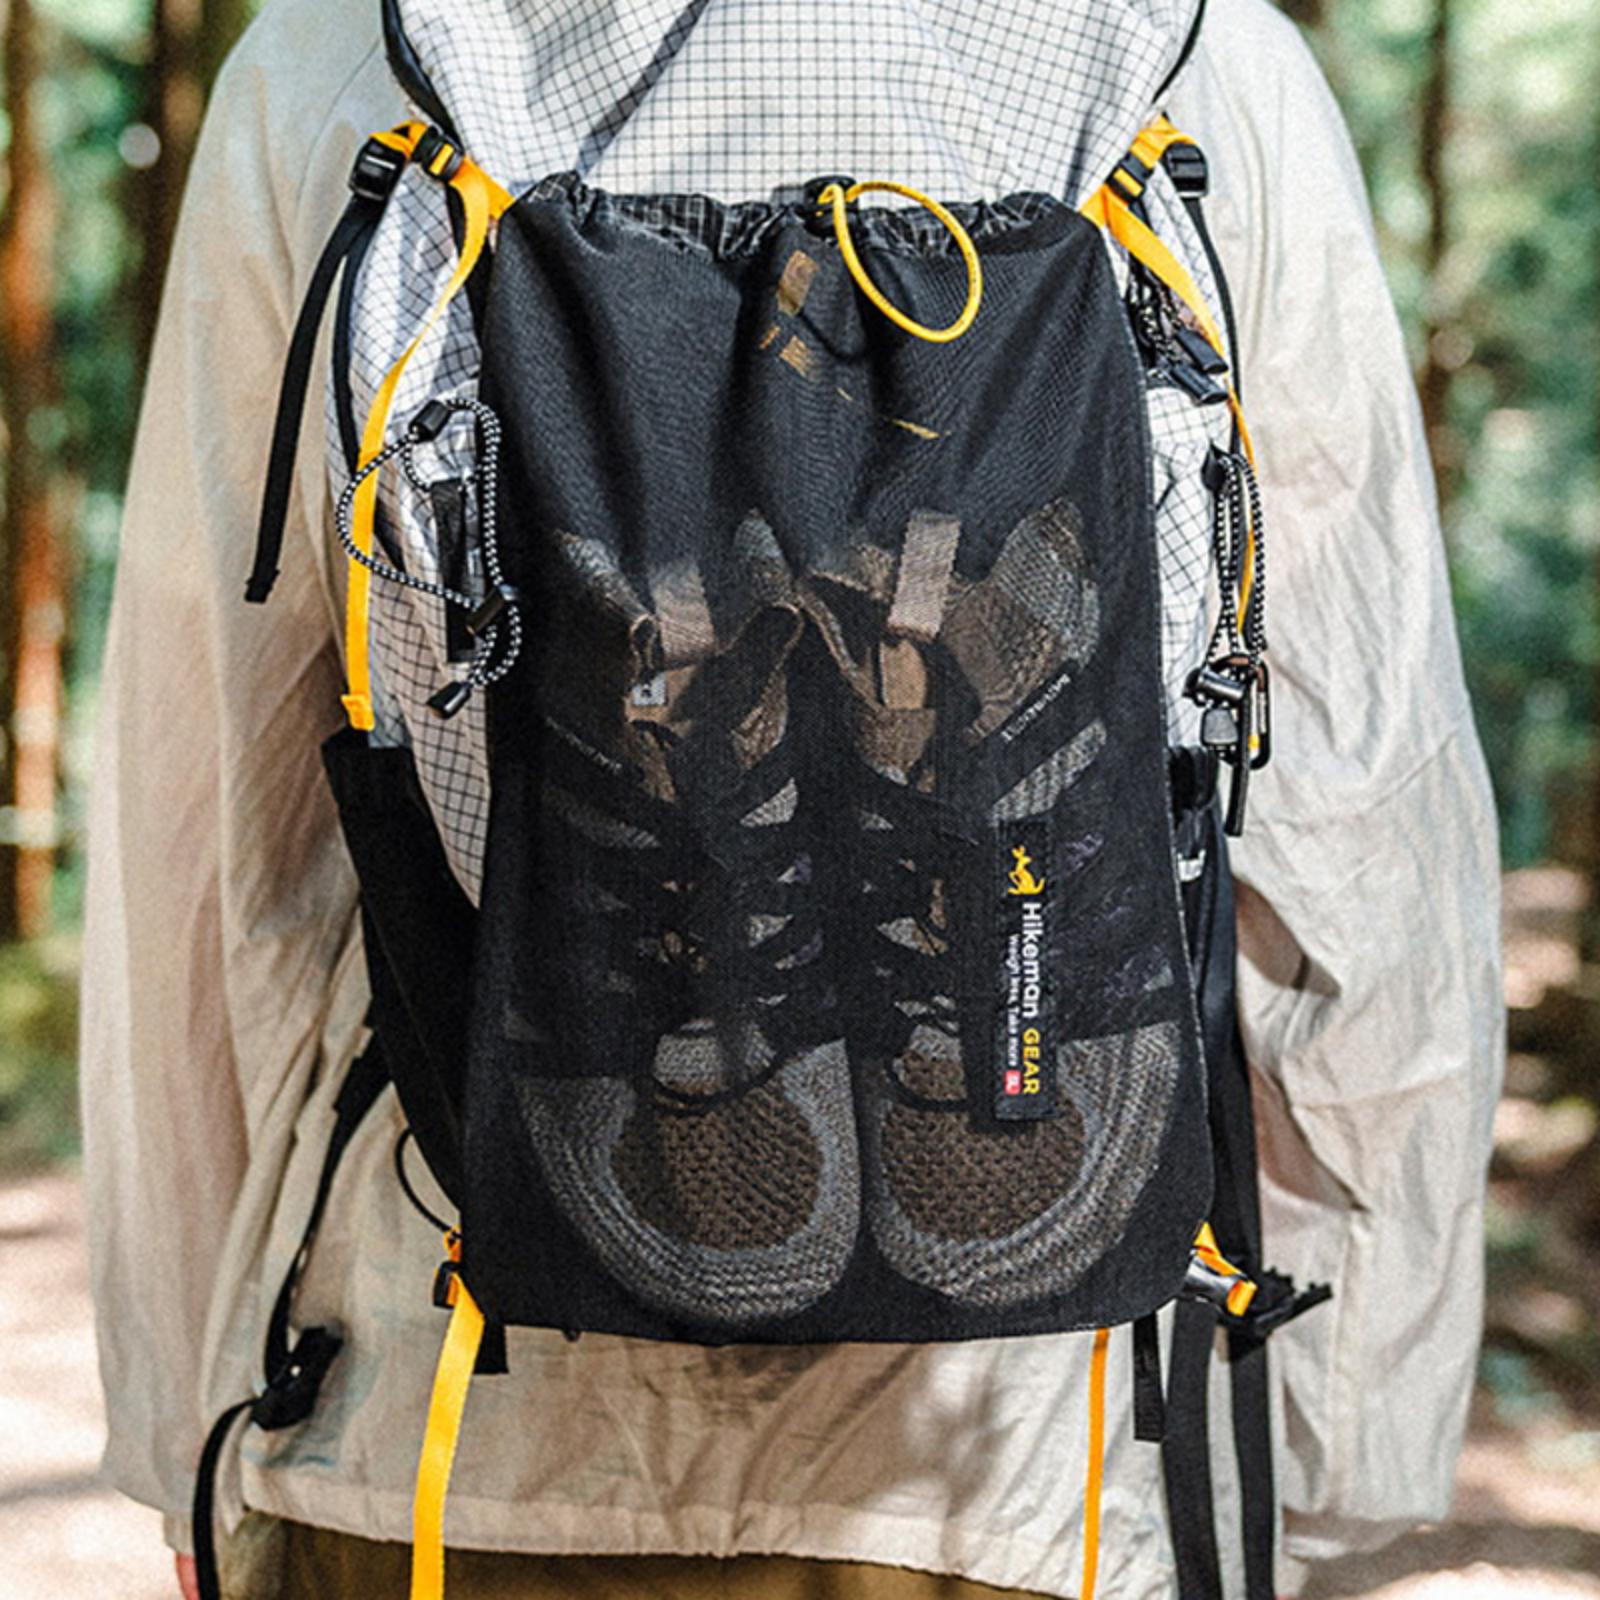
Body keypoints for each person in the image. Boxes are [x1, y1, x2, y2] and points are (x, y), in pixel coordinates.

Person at [80, 0, 1504, 1596]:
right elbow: (1359, 808)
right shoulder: (1201, 61)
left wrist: (187, 1413)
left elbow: (213, 825)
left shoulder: (339, 55)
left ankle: (694, 746)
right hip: (1040, 1470)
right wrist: (1342, 1436)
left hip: (436, 1419)